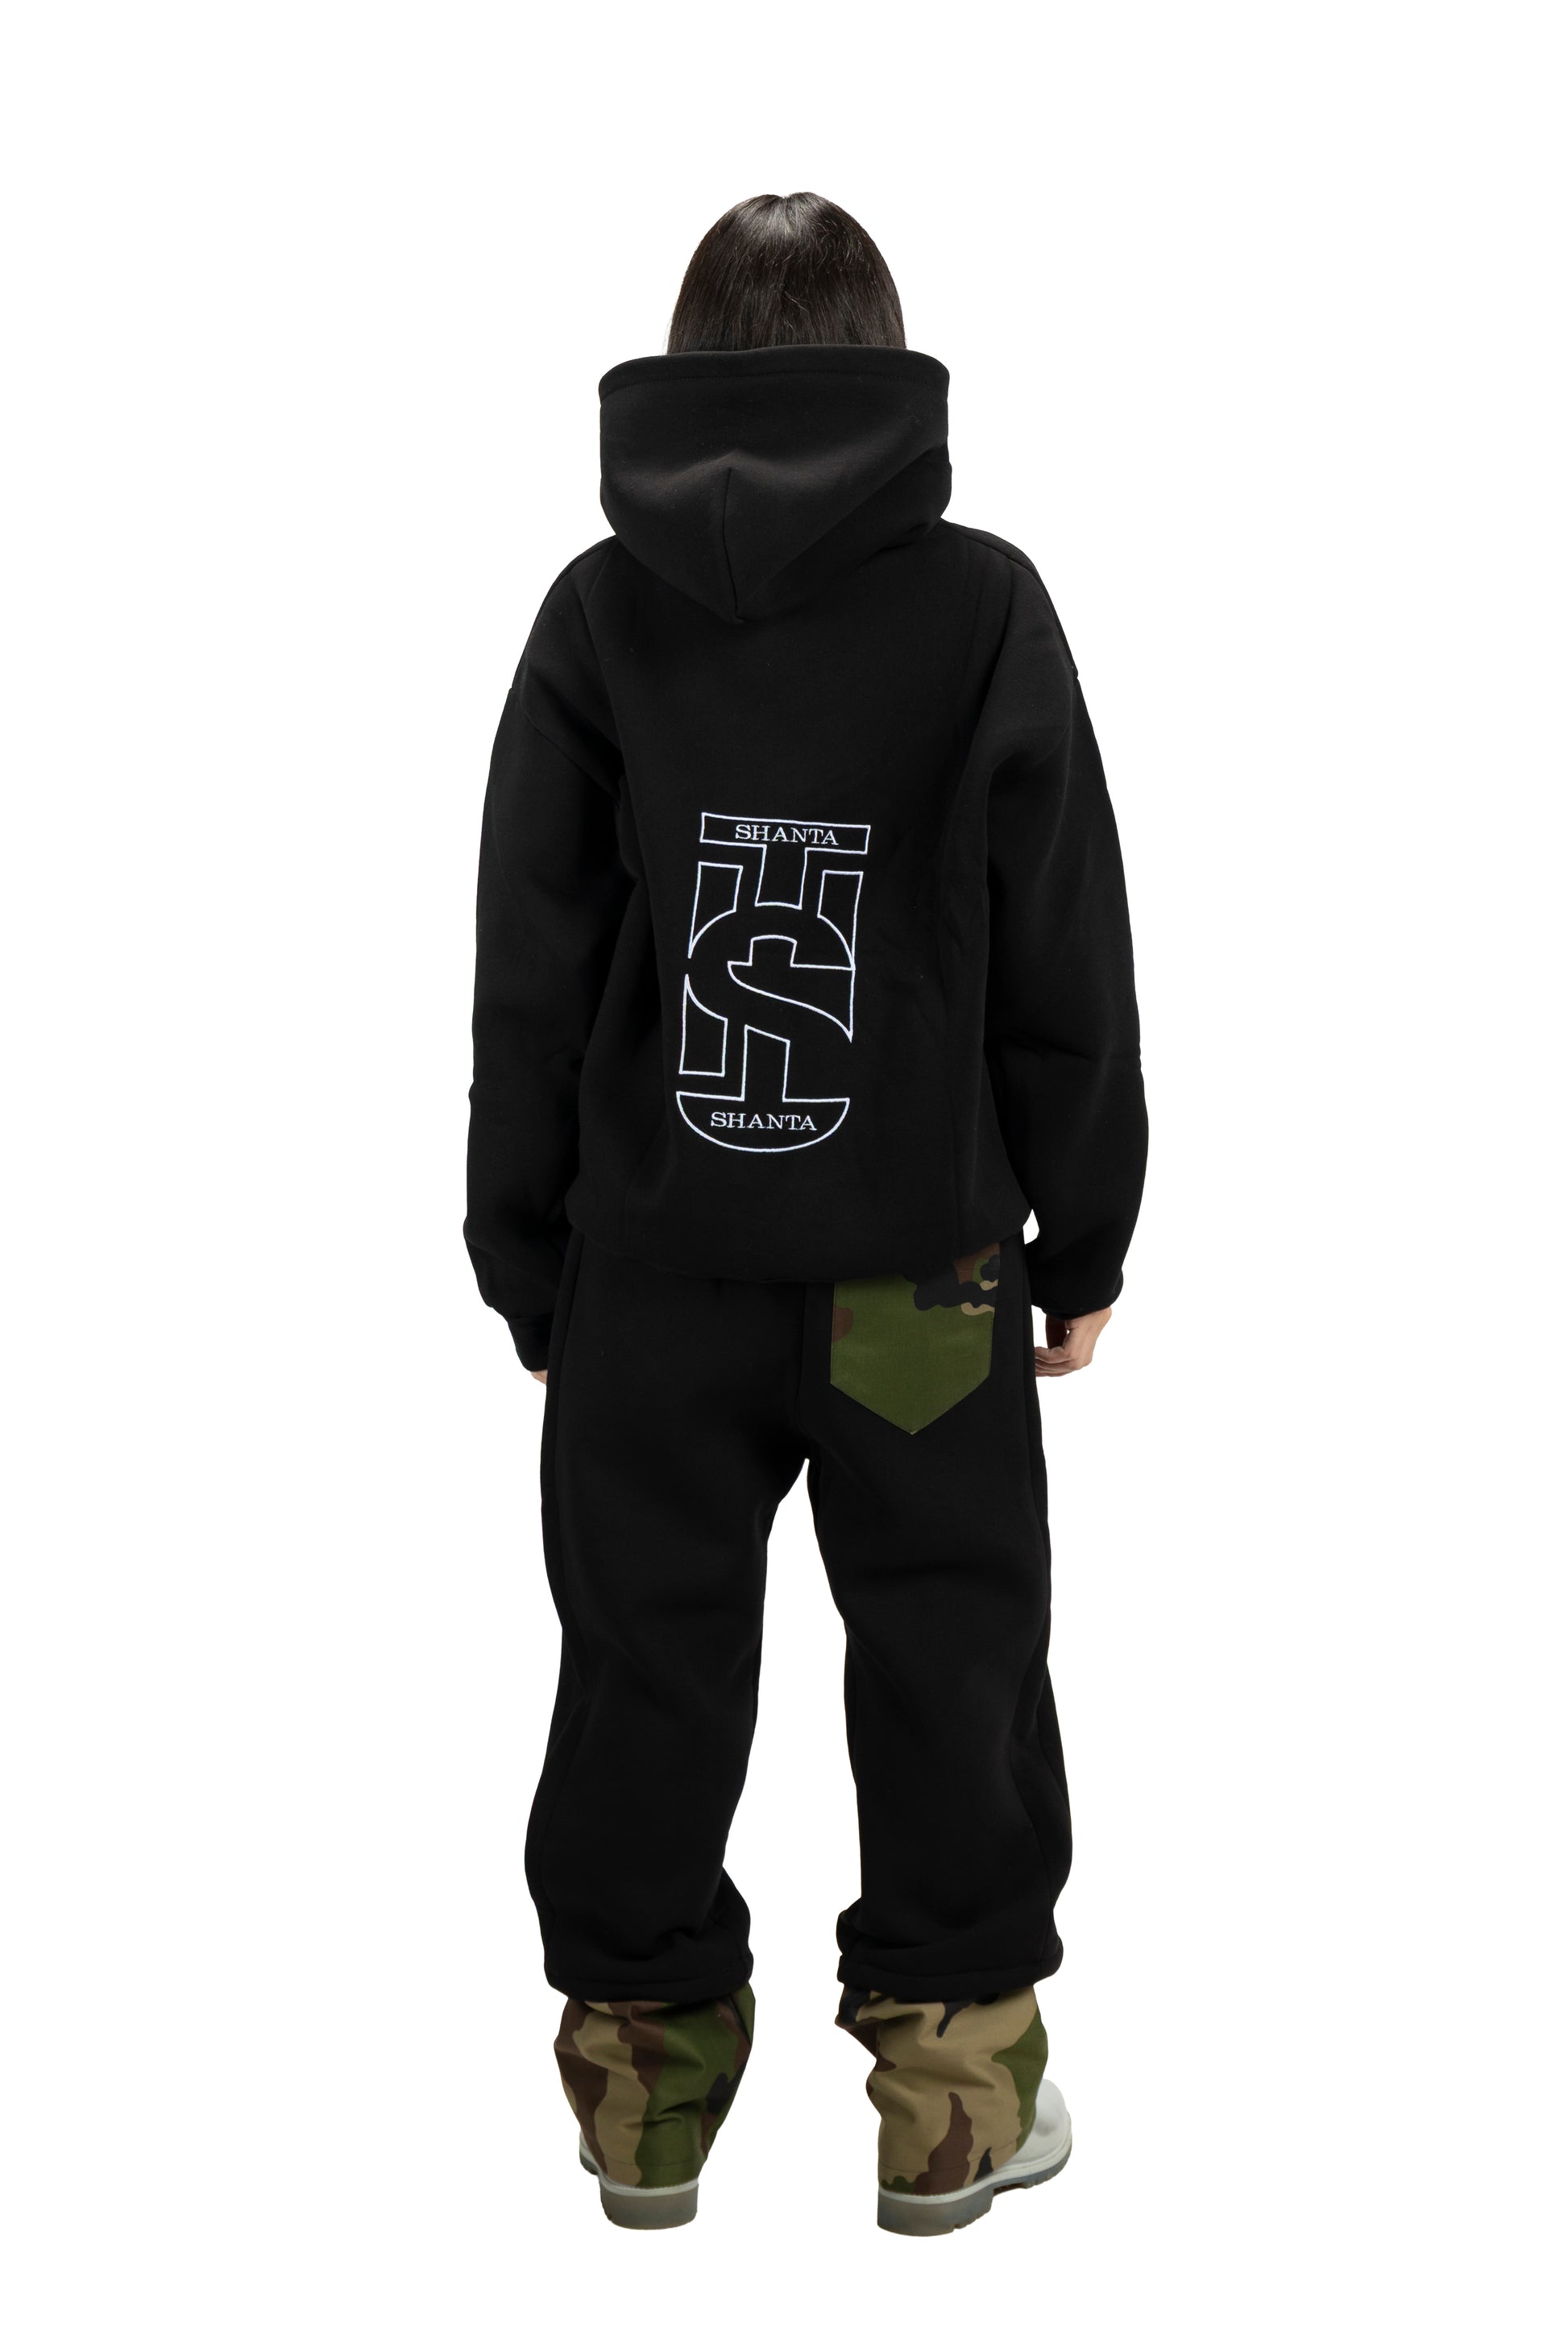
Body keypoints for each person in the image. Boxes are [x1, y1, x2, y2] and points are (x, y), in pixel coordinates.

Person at [464, 192, 1147, 2235]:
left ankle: (640, 2102)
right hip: (915, 1281)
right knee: (949, 1656)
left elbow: (531, 966)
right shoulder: (982, 607)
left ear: (683, 370)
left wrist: (526, 1255)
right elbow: (1063, 944)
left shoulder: (600, 615)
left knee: (642, 1669)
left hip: (654, 1279)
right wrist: (1086, 1231)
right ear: (887, 366)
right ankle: (950, 2100)